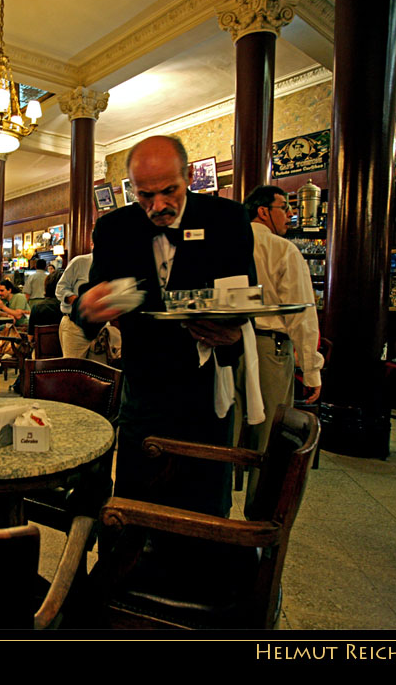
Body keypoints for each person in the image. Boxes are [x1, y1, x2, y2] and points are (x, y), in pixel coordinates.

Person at [74, 135, 255, 521]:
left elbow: (243, 298)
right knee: (135, 505)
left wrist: (235, 334)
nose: (158, 206)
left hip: (205, 389)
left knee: (204, 506)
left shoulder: (226, 219)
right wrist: (87, 308)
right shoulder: (114, 229)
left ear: (188, 176)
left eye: (169, 191)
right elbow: (89, 299)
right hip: (144, 389)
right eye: (144, 196)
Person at [236, 185, 324, 517]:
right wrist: (311, 367)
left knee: (225, 431)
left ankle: (210, 514)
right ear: (263, 211)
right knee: (269, 438)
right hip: (269, 349)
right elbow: (301, 313)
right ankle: (258, 519)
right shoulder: (282, 249)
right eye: (284, 207)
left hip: (229, 345)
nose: (290, 215)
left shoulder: (230, 243)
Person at [55, 250, 93, 359]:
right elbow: (60, 289)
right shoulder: (80, 262)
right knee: (74, 371)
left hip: (102, 327)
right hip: (75, 325)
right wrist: (79, 302)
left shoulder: (115, 266)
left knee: (101, 373)